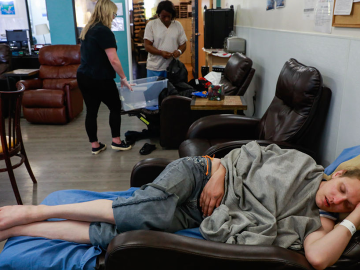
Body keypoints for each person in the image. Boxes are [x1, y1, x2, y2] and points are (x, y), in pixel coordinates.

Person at [1, 142, 360, 270]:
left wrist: (354, 218)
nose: (337, 199)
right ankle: (37, 212)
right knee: (151, 209)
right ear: (338, 172)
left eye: (347, 205)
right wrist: (218, 172)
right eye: (344, 188)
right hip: (201, 175)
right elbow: (240, 154)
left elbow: (318, 259)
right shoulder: (300, 162)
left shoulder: (320, 224)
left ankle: (19, 227)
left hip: (202, 215)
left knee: (119, 231)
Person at [77, 0, 132, 155]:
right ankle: (116, 141)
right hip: (100, 78)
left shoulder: (88, 29)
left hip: (84, 76)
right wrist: (123, 77)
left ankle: (95, 146)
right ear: (108, 13)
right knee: (115, 107)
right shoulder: (104, 31)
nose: (114, 17)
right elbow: (113, 60)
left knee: (91, 111)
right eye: (114, 14)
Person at [144, 0, 187, 78]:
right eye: (164, 16)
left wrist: (179, 51)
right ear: (158, 14)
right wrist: (161, 53)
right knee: (155, 90)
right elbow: (147, 46)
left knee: (173, 89)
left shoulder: (178, 25)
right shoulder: (151, 25)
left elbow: (183, 44)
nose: (167, 19)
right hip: (155, 67)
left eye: (169, 16)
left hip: (173, 68)